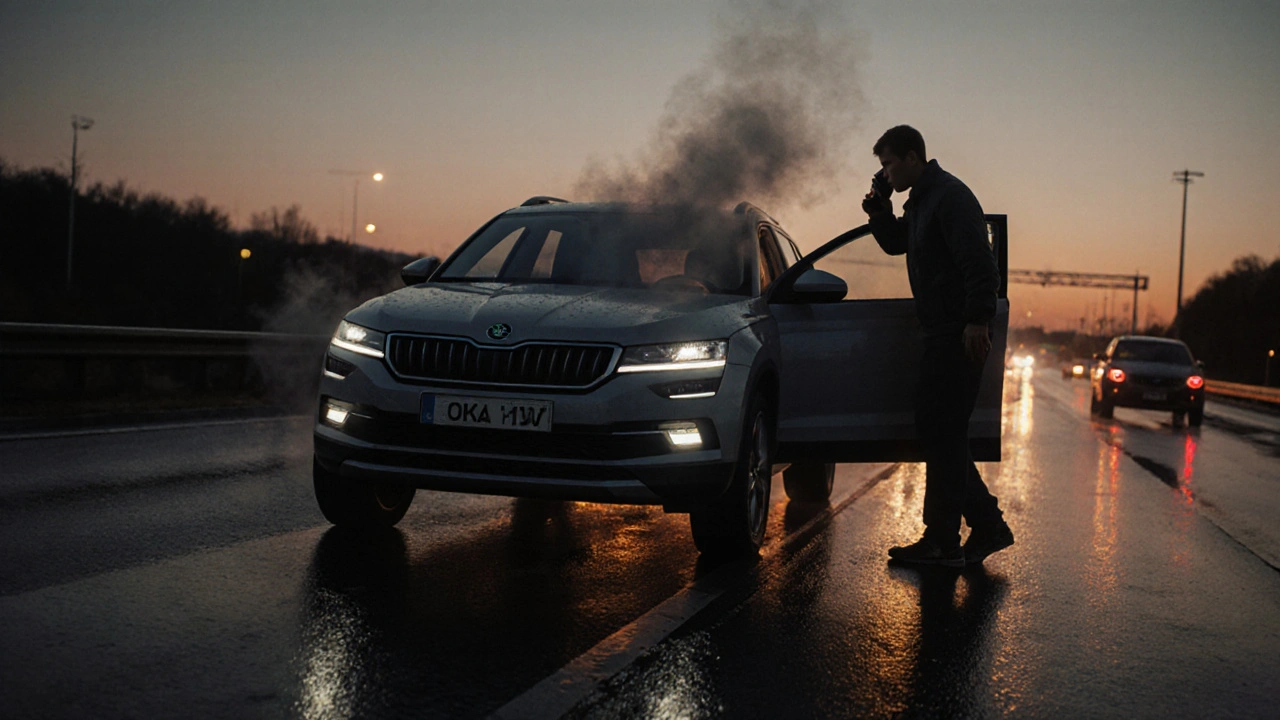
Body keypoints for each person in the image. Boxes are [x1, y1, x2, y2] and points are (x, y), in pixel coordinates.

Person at [860, 125, 1014, 567]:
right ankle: (985, 525)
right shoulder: (922, 203)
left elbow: (980, 264)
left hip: (956, 334)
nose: (885, 173)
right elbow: (895, 244)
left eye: (888, 164)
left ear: (912, 157)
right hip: (940, 333)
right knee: (941, 433)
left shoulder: (950, 197)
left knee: (942, 432)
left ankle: (943, 541)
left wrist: (977, 320)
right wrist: (878, 208)